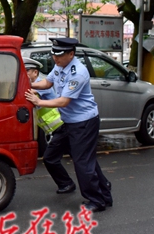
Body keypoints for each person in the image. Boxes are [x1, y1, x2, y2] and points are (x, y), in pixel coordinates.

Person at [24, 38, 112, 212]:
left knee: (82, 162)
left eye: (59, 55)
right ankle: (104, 191)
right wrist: (30, 85)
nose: (55, 58)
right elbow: (47, 82)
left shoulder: (78, 72)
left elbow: (64, 101)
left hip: (83, 123)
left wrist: (38, 102)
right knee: (73, 158)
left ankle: (97, 200)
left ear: (71, 54)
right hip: (69, 122)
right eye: (53, 54)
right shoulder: (60, 66)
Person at [23, 57, 64, 135]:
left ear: (35, 72)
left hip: (59, 125)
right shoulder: (34, 84)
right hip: (48, 126)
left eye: (27, 71)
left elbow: (27, 92)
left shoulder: (41, 85)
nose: (24, 73)